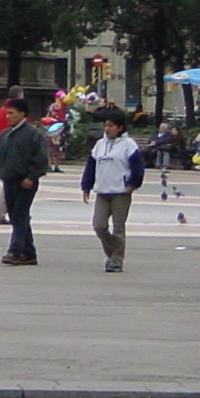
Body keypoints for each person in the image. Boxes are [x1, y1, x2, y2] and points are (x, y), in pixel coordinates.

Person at [81, 107, 144, 274]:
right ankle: (113, 253)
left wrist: (132, 184)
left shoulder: (128, 145)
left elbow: (137, 167)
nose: (107, 129)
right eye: (105, 125)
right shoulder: (100, 145)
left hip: (121, 192)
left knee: (118, 228)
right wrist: (86, 186)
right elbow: (91, 166)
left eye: (110, 125)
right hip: (102, 191)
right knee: (98, 225)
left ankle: (116, 260)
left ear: (120, 127)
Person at [0, 95, 49, 266]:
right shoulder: (5, 134)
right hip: (8, 180)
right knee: (17, 216)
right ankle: (29, 252)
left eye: (12, 113)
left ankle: (15, 250)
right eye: (7, 113)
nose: (8, 116)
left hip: (25, 181)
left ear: (22, 114)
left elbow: (40, 159)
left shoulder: (32, 134)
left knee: (19, 214)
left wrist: (31, 177)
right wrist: (0, 172)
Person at [0, 86, 24, 224]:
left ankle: (11, 213)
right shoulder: (16, 113)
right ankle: (3, 214)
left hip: (0, 150)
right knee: (12, 184)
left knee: (9, 182)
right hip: (12, 151)